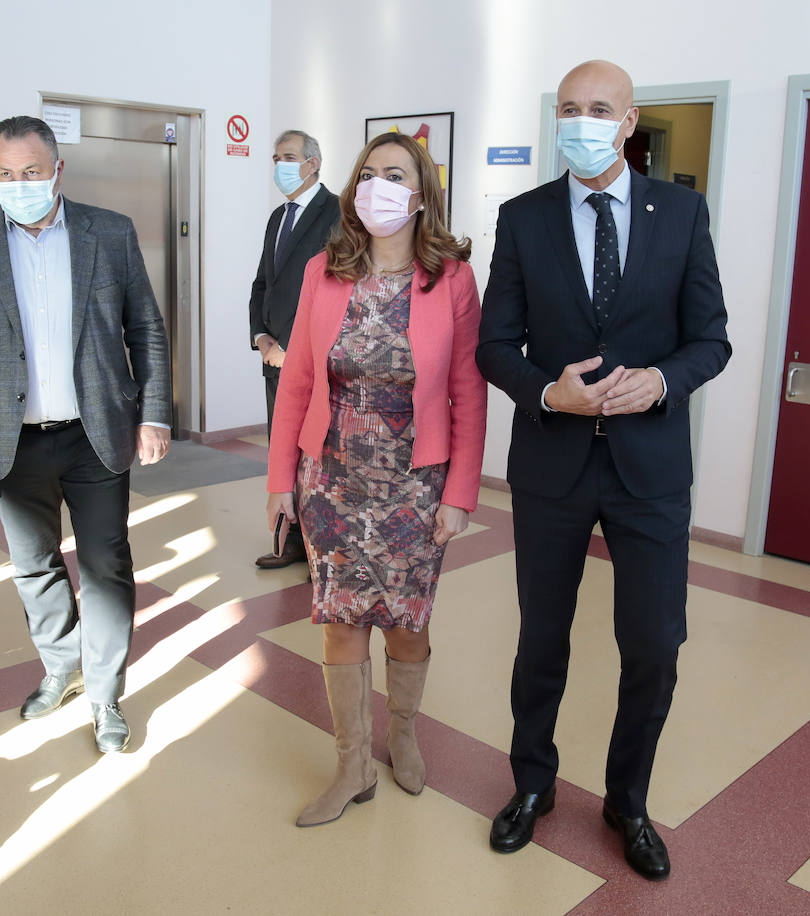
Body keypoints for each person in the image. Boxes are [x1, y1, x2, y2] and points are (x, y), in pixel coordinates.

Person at [476, 61, 731, 879]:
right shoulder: (523, 219)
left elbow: (711, 340)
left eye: (597, 109)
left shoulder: (682, 214)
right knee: (541, 637)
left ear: (628, 122)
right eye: (568, 109)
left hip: (649, 468)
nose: (580, 121)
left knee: (653, 642)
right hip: (552, 463)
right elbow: (492, 345)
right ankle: (532, 783)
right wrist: (548, 392)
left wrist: (661, 383)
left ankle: (628, 800)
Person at [0, 115, 172, 755]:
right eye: (5, 174)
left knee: (107, 567)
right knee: (33, 567)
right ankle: (62, 665)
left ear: (58, 170)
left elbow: (145, 327)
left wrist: (155, 412)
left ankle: (105, 694)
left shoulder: (107, 232)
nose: (18, 184)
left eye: (30, 172)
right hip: (10, 437)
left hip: (97, 432)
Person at [266, 132, 487, 827]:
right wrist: (281, 479)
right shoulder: (322, 271)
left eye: (394, 174)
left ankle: (402, 733)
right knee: (337, 624)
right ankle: (352, 763)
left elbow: (469, 393)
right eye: (368, 174)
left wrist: (459, 494)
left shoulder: (451, 278)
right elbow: (298, 380)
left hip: (414, 482)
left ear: (421, 192)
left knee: (405, 628)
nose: (377, 187)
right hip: (329, 476)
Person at [250, 130, 339, 569]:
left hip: (311, 361)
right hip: (273, 358)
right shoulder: (277, 217)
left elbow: (338, 290)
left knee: (314, 457)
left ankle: (319, 551)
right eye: (276, 157)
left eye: (288, 157)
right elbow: (263, 282)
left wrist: (296, 349)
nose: (280, 165)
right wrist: (261, 337)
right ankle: (289, 543)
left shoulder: (338, 214)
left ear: (313, 163)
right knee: (281, 451)